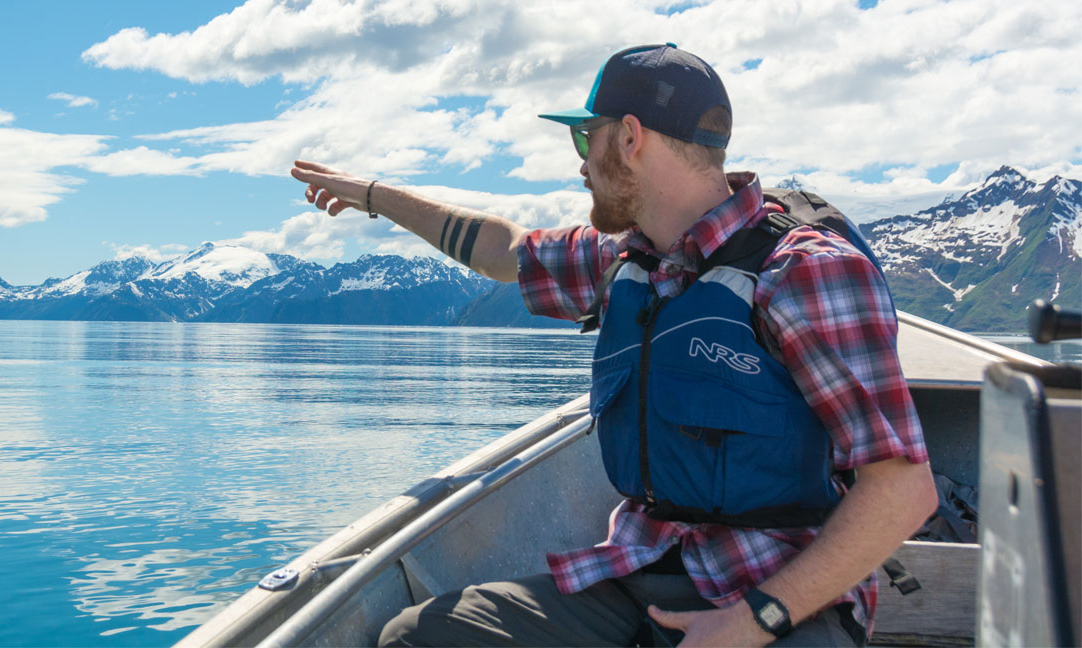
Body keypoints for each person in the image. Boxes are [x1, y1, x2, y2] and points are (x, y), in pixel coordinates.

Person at [290, 43, 937, 648]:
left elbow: (903, 490)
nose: (578, 162)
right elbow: (503, 249)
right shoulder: (622, 262)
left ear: (629, 139)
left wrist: (751, 621)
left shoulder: (803, 271)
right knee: (421, 637)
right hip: (642, 570)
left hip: (779, 597)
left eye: (585, 137)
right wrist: (376, 198)